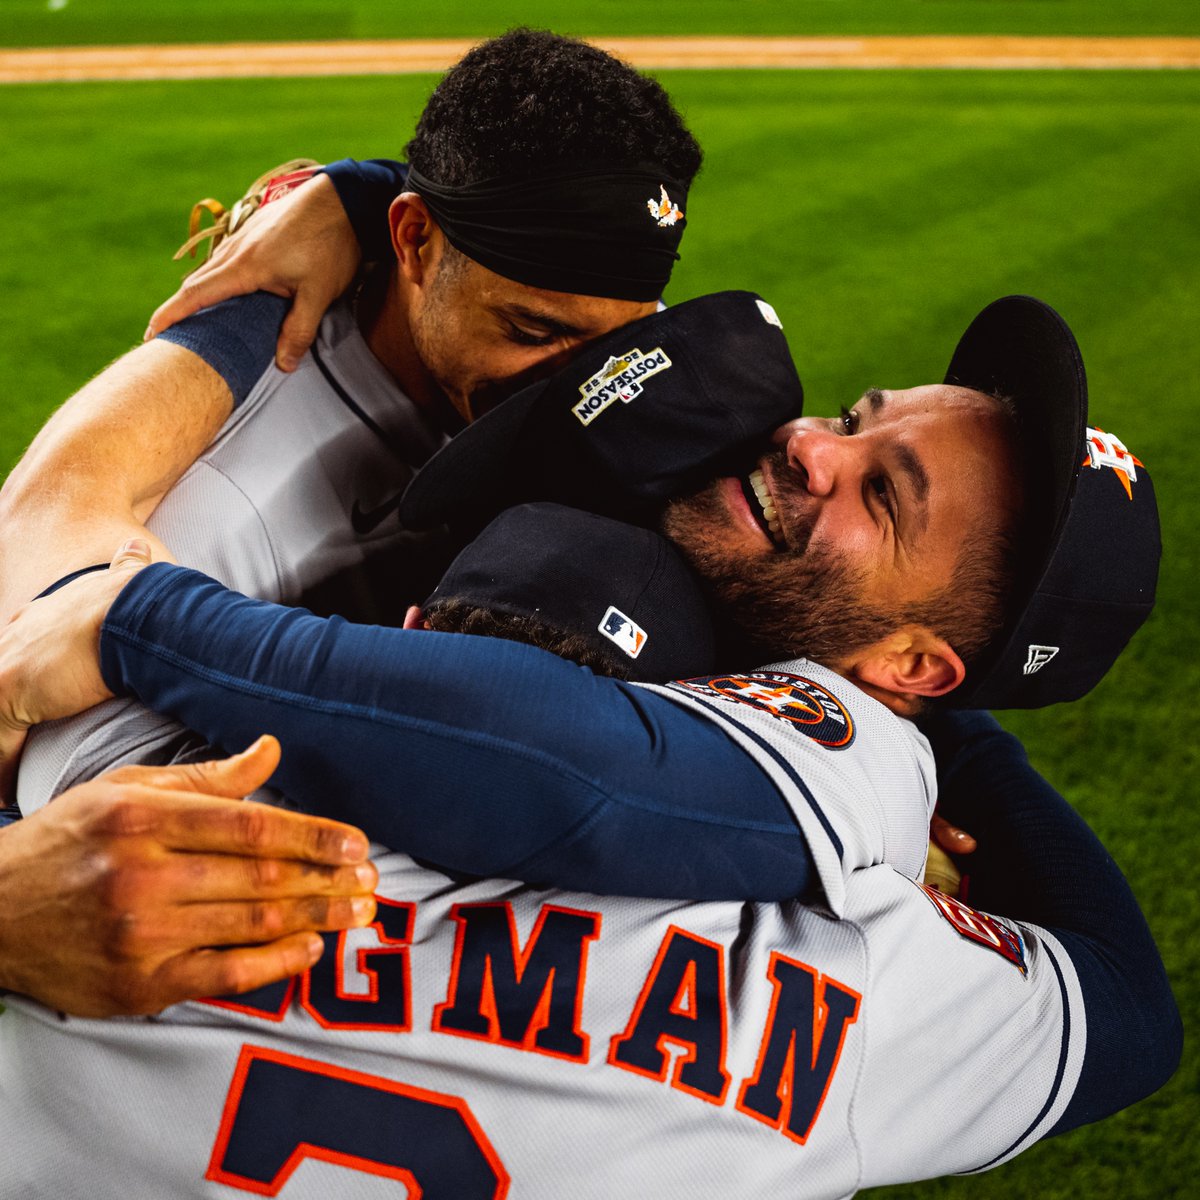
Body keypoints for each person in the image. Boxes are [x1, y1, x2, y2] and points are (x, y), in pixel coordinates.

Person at [0, 483, 1178, 1197]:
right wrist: (921, 714)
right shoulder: (836, 970)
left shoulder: (152, 795)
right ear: (707, 703)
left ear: (406, 632)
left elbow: (56, 514)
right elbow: (1128, 1010)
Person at [0, 29, 739, 1015]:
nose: (579, 391)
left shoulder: (589, 390)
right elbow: (45, 542)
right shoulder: (231, 429)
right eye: (532, 331)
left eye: (622, 343)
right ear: (414, 240)